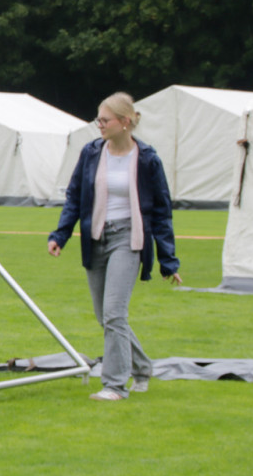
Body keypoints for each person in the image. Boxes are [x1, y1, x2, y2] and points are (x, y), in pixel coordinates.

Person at [47, 92, 181, 401]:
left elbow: (161, 212)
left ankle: (115, 385)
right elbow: (75, 196)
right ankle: (142, 367)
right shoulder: (92, 152)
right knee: (105, 316)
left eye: (105, 120)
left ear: (124, 122)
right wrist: (60, 235)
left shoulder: (147, 159)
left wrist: (168, 261)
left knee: (114, 314)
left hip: (127, 240)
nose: (100, 125)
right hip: (96, 238)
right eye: (98, 119)